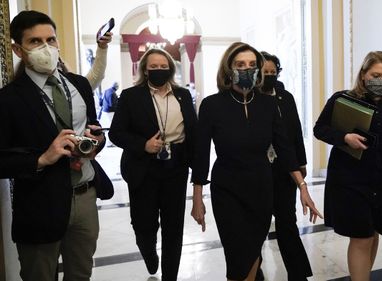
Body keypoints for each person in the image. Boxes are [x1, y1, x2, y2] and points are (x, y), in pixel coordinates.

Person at [190, 42, 322, 281]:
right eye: (240, 64)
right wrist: (197, 198)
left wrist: (302, 187)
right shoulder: (212, 105)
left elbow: (284, 148)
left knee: (252, 253)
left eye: (252, 65)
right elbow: (200, 154)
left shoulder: (269, 104)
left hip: (261, 188)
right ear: (229, 69)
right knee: (237, 256)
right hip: (227, 190)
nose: (247, 69)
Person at [0, 10, 112, 281]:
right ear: (18, 48)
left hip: (85, 195)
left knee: (80, 274)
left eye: (51, 39)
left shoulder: (80, 85)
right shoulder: (9, 99)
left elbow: (94, 128)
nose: (46, 47)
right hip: (40, 201)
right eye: (35, 42)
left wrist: (97, 141)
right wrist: (42, 158)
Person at [314, 51, 382, 281]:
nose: (381, 81)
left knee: (374, 230)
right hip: (349, 176)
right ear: (363, 75)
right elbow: (319, 129)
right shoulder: (342, 99)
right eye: (376, 75)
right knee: (361, 236)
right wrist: (344, 137)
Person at [108, 48, 197, 281]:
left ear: (171, 68)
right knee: (143, 225)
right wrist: (142, 145)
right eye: (154, 67)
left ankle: (170, 276)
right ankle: (149, 253)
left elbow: (194, 130)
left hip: (175, 166)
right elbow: (116, 133)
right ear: (145, 70)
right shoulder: (130, 96)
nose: (159, 70)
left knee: (173, 227)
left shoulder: (183, 95)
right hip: (142, 168)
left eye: (163, 66)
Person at [258, 51, 312, 281]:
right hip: (257, 170)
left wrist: (301, 163)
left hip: (285, 168)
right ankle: (253, 269)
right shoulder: (248, 98)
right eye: (264, 72)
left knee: (287, 223)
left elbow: (296, 132)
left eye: (273, 72)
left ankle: (298, 273)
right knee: (257, 225)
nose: (269, 76)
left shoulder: (284, 97)